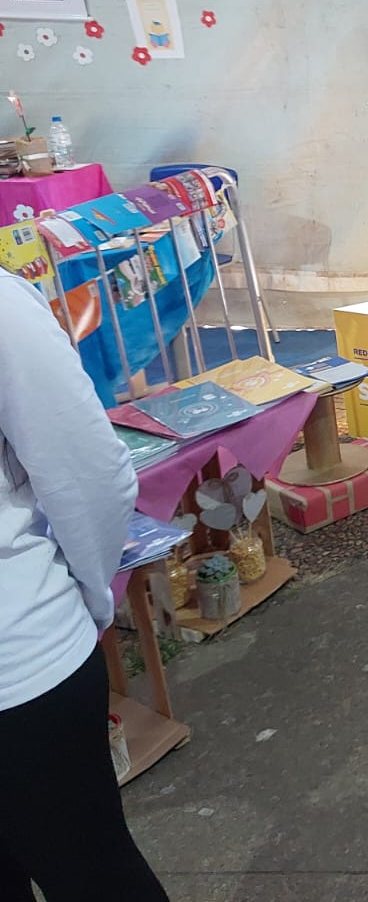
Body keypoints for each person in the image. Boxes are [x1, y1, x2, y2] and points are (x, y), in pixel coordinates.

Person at [0, 268, 169, 900]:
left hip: (24, 666)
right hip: (25, 665)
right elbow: (92, 476)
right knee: (95, 874)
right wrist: (93, 598)